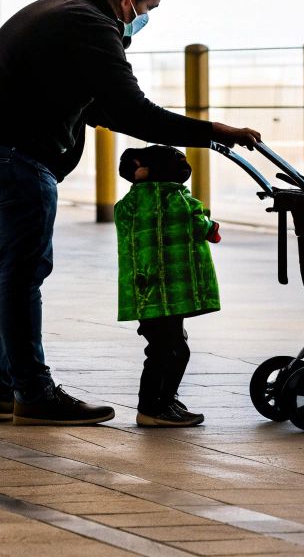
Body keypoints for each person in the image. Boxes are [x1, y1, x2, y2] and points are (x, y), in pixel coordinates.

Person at [0, 0, 261, 426]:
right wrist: (213, 131)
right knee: (20, 273)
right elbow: (134, 110)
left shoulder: (59, 11)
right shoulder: (91, 25)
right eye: (149, 6)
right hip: (15, 155)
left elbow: (102, 107)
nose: (147, 17)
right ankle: (33, 395)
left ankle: (0, 391)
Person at [115, 145, 220, 427]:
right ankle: (153, 407)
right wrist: (211, 225)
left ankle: (163, 401)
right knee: (173, 350)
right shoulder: (179, 200)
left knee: (162, 346)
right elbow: (204, 228)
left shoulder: (127, 205)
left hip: (144, 293)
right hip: (170, 293)